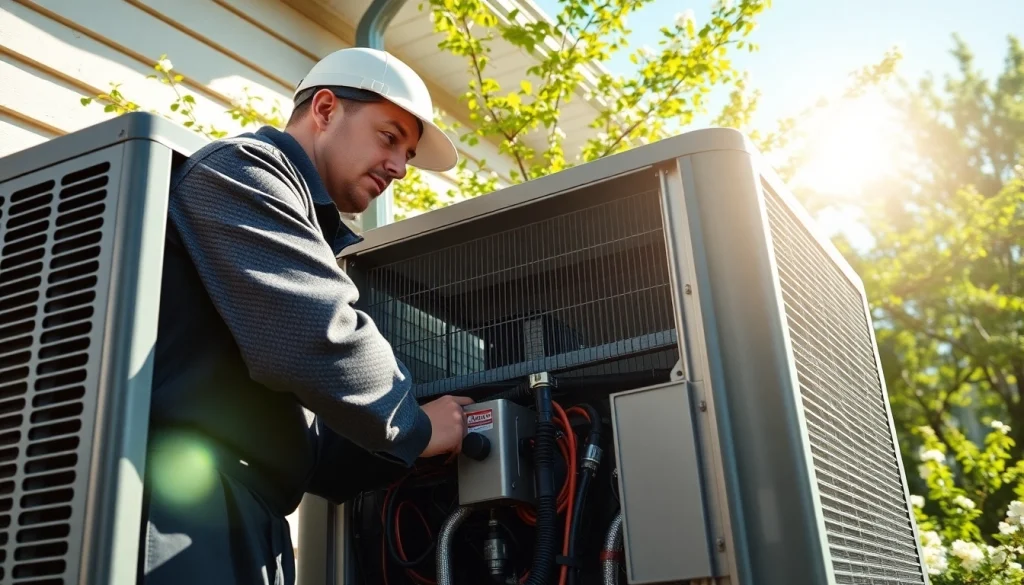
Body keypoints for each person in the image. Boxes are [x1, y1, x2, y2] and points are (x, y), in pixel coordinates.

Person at [139, 47, 473, 585]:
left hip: (250, 518)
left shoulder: (305, 226)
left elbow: (316, 445)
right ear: (324, 109)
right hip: (183, 512)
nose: (399, 168)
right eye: (389, 137)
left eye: (407, 156)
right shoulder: (243, 170)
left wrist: (415, 447)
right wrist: (412, 423)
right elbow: (316, 341)